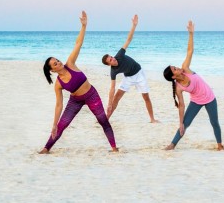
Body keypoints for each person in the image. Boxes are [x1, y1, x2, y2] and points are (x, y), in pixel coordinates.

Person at [40, 11, 118, 154]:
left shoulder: (70, 63)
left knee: (103, 121)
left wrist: (83, 26)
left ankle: (114, 148)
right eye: (54, 64)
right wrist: (53, 124)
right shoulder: (58, 84)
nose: (58, 62)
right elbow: (58, 105)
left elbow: (78, 43)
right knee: (61, 125)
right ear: (52, 70)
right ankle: (46, 149)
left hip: (91, 95)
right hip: (75, 100)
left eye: (56, 60)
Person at [162, 20, 224, 151]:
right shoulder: (178, 87)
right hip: (196, 101)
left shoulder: (186, 69)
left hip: (209, 97)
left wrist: (191, 34)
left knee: (214, 122)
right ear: (173, 76)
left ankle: (220, 146)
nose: (178, 67)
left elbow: (190, 51)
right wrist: (180, 122)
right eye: (175, 69)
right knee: (185, 124)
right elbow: (182, 106)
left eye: (175, 66)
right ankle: (172, 145)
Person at [101, 14, 159, 123]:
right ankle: (106, 118)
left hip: (139, 74)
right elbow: (112, 88)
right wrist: (109, 103)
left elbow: (128, 40)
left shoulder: (120, 55)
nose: (113, 59)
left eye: (111, 57)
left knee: (146, 97)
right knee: (116, 97)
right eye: (110, 60)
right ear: (109, 64)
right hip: (128, 77)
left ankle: (152, 119)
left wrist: (134, 25)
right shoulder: (113, 71)